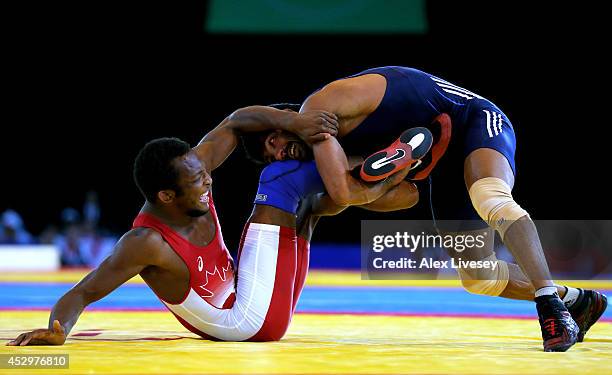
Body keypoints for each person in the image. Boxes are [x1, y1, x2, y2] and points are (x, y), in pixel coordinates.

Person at [240, 67, 608, 352]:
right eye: (267, 157)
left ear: (286, 118)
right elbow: (405, 197)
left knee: (491, 198)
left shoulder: (320, 109)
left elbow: (342, 192)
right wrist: (394, 171)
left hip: (472, 120)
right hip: (439, 164)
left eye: (273, 140)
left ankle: (550, 307)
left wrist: (368, 182)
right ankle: (577, 300)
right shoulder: (340, 155)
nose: (277, 154)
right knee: (478, 275)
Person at [6, 105, 344, 345]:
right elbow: (83, 292)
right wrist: (58, 329)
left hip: (256, 301)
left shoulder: (193, 172)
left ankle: (392, 181)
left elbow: (236, 122)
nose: (208, 182)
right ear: (166, 196)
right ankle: (380, 169)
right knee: (278, 180)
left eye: (204, 172)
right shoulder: (147, 242)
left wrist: (294, 121)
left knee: (310, 207)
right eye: (198, 181)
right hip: (244, 325)